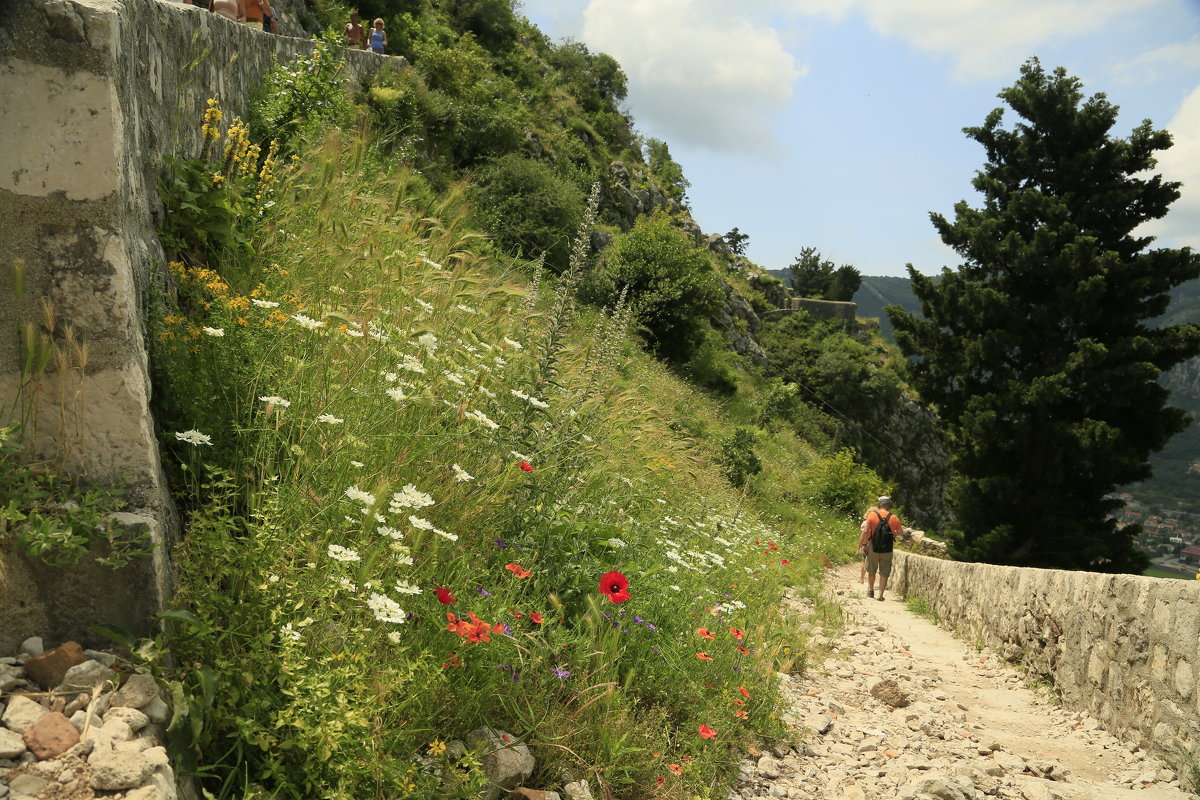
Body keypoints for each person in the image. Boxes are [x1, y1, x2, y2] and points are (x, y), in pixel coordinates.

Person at [858, 495, 901, 601]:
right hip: (887, 548)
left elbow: (865, 531)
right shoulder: (894, 517)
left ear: (879, 504)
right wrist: (894, 533)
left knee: (872, 569)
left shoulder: (872, 515)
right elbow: (900, 533)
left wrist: (861, 545)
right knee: (884, 571)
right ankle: (881, 595)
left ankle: (871, 591)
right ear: (889, 505)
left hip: (873, 546)